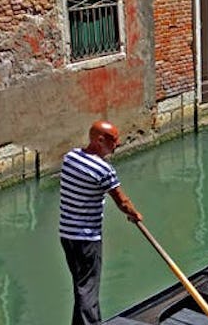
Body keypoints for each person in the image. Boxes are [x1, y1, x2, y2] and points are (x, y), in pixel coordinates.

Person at [59, 121, 142, 325]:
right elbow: (122, 201)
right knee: (88, 289)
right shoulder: (103, 170)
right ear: (100, 140)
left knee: (81, 286)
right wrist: (135, 214)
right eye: (114, 140)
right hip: (87, 238)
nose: (118, 144)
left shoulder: (70, 158)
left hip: (66, 235)